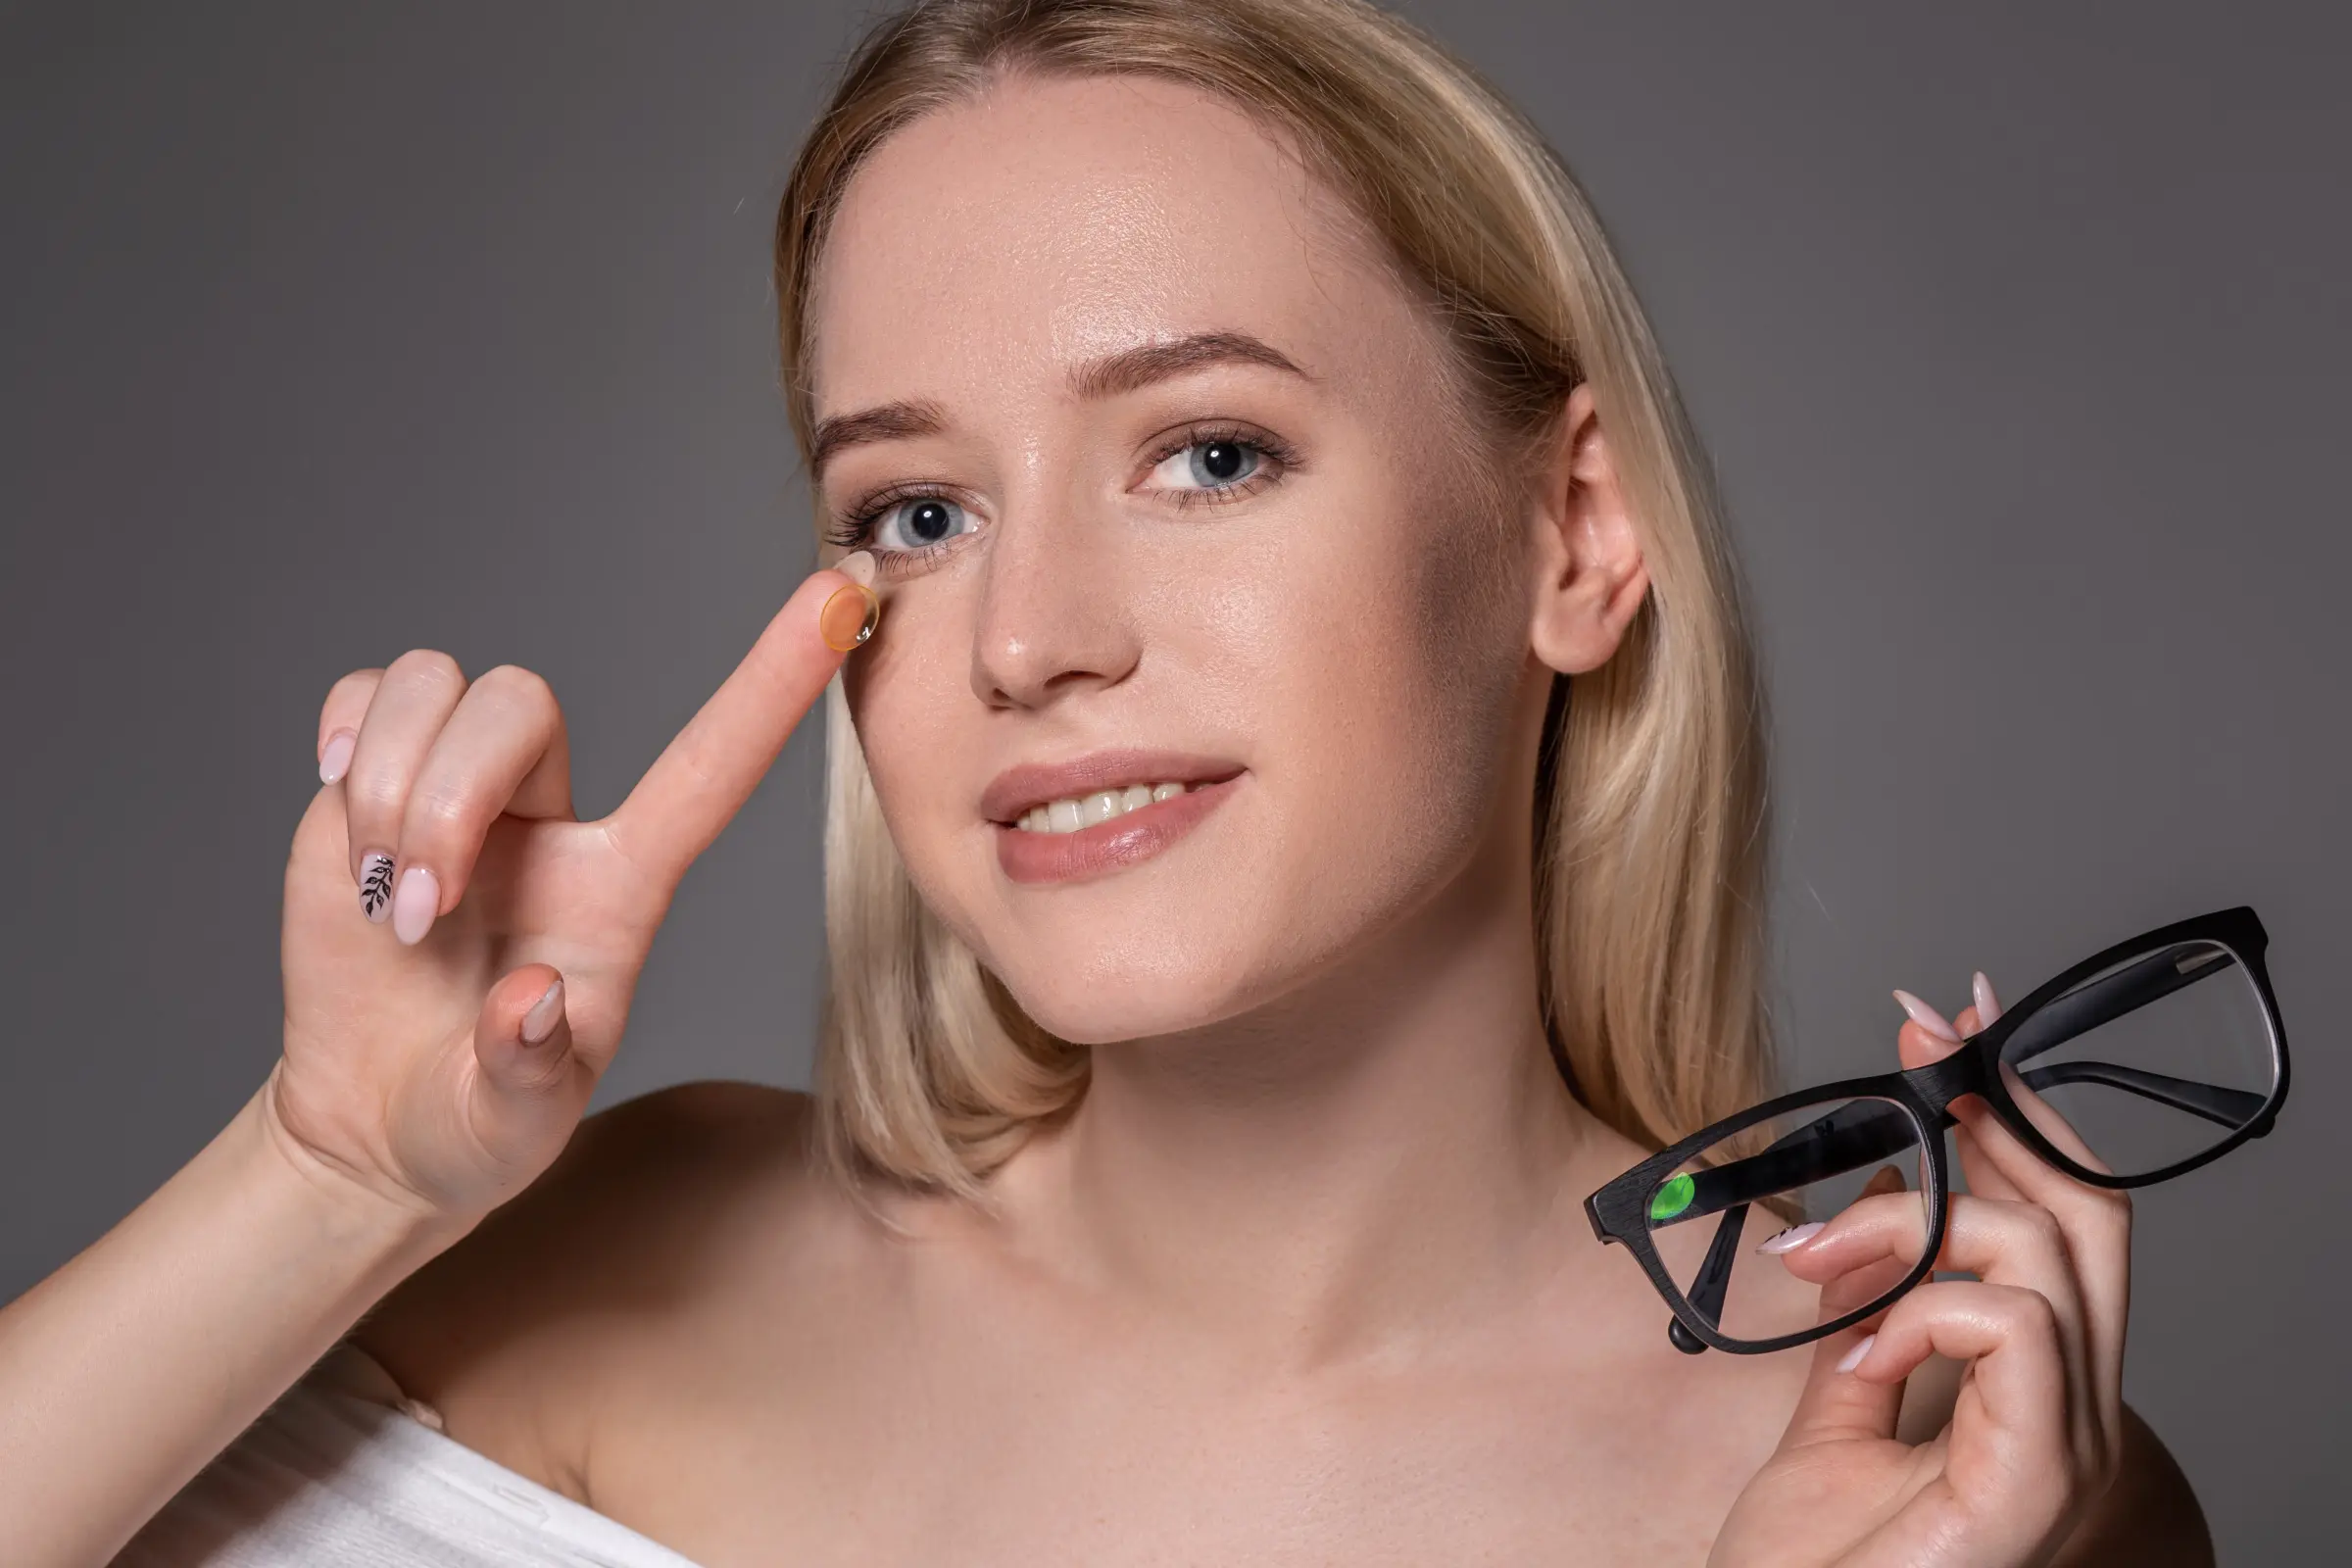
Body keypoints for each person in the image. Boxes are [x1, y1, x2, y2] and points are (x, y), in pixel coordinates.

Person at [1, 1, 2217, 1562]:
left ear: (1575, 533)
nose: (1030, 634)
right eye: (916, 513)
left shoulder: (1939, 1466)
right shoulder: (603, 1248)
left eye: (1209, 453)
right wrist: (319, 1175)